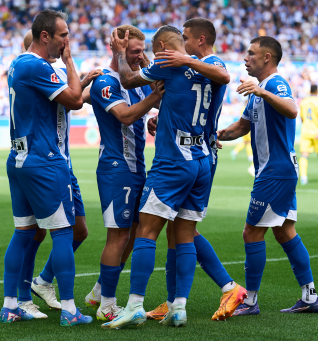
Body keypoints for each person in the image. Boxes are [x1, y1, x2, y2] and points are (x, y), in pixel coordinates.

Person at [102, 25, 217, 329]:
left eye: (154, 49)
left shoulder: (165, 64)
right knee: (184, 235)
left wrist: (119, 53)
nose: (152, 55)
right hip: (202, 159)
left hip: (173, 161)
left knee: (146, 231)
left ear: (164, 46)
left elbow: (127, 79)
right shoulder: (213, 66)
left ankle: (135, 304)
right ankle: (179, 307)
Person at [144, 18, 246, 322]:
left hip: (198, 153)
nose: (183, 44)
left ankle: (228, 287)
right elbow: (187, 106)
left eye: (186, 38)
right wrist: (161, 118)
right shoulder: (196, 68)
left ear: (201, 40)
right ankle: (174, 301)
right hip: (194, 148)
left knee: (183, 229)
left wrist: (185, 59)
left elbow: (223, 76)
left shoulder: (210, 62)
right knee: (176, 231)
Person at [217, 36, 318, 315]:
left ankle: (250, 300)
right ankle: (310, 296)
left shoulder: (274, 83)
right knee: (285, 231)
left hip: (275, 172)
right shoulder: (259, 90)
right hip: (277, 171)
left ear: (267, 58)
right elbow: (241, 127)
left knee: (251, 233)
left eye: (251, 53)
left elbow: (291, 110)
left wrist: (262, 92)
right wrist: (214, 135)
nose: (245, 57)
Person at [1, 10, 93, 326]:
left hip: (20, 158)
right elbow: (74, 100)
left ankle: (11, 304)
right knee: (64, 233)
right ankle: (69, 310)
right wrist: (69, 63)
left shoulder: (19, 63)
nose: (67, 41)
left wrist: (78, 81)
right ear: (45, 36)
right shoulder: (37, 65)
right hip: (45, 161)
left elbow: (61, 97)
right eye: (63, 35)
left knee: (24, 233)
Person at [82, 24, 164, 322]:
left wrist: (154, 112)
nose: (138, 56)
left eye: (142, 50)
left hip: (136, 167)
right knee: (117, 236)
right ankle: (106, 303)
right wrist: (153, 101)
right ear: (117, 50)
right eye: (133, 51)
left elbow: (155, 98)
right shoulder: (107, 80)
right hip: (117, 167)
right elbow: (126, 115)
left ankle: (100, 290)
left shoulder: (133, 82)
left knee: (133, 233)